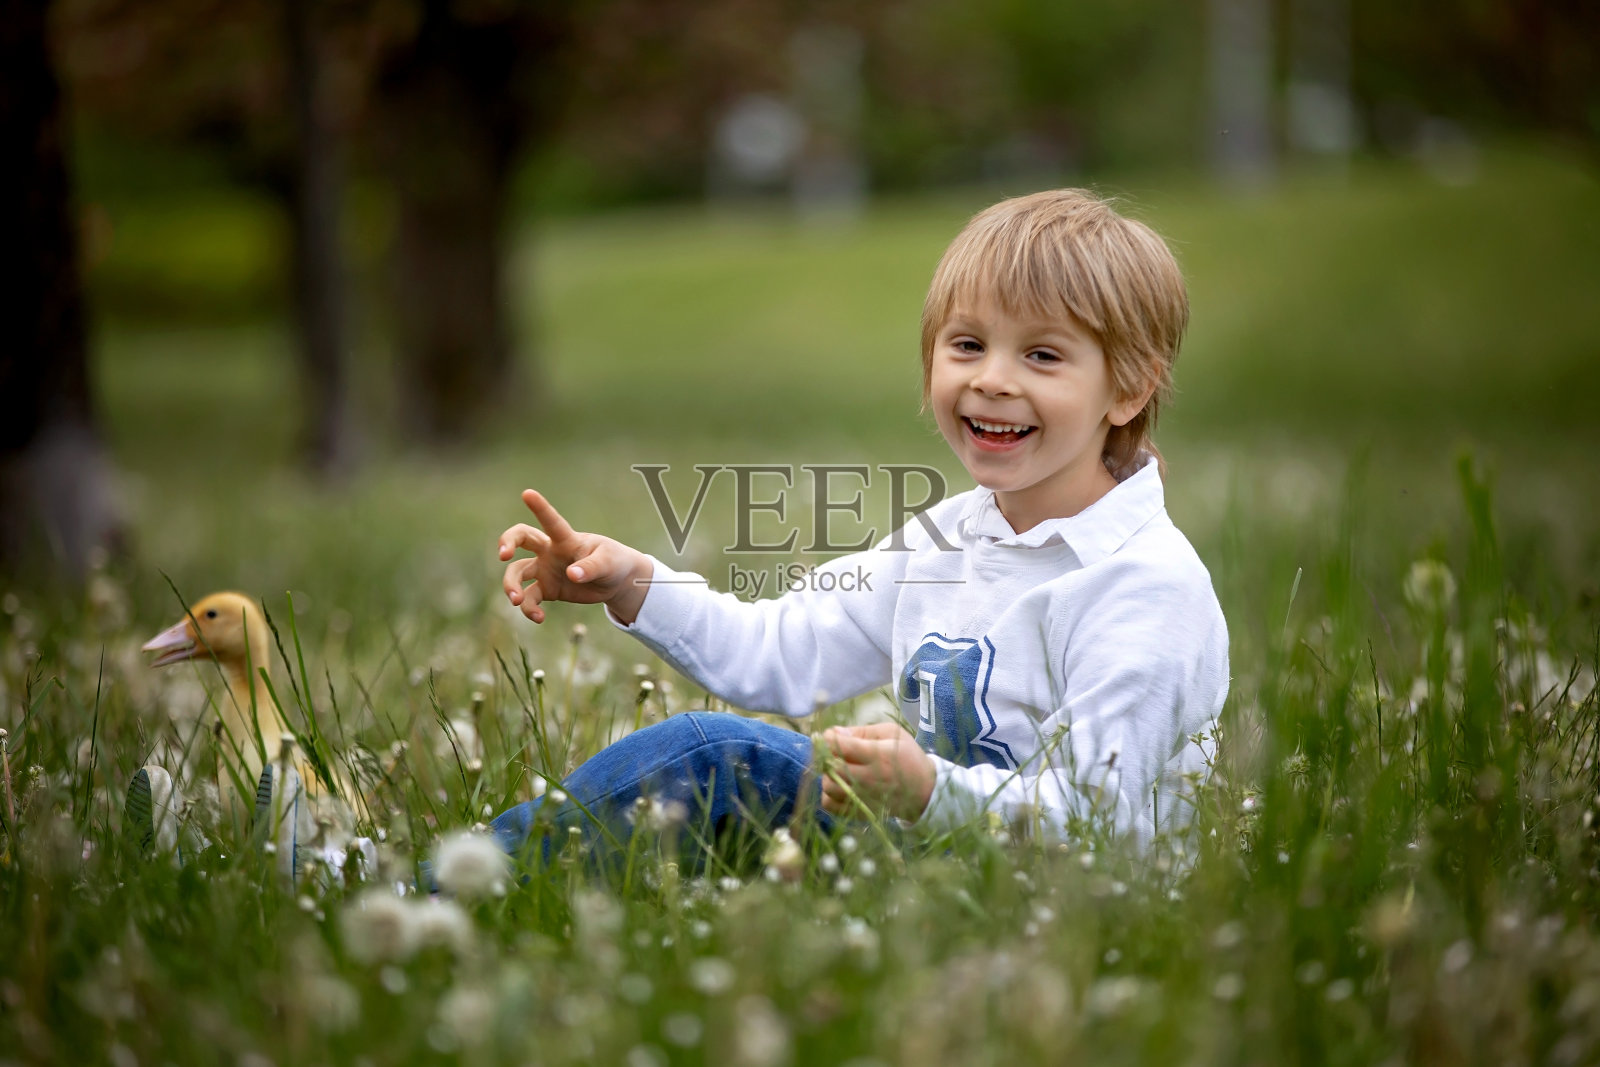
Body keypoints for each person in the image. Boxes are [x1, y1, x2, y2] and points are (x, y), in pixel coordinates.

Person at [490, 189, 1229, 870]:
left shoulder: (1142, 584)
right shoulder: (945, 540)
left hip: (1071, 915)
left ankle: (468, 884)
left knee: (709, 753)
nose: (993, 378)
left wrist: (933, 792)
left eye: (1042, 354)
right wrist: (634, 583)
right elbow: (780, 650)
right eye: (967, 344)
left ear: (1129, 386)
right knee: (709, 759)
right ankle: (475, 880)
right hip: (917, 859)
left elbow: (1110, 821)